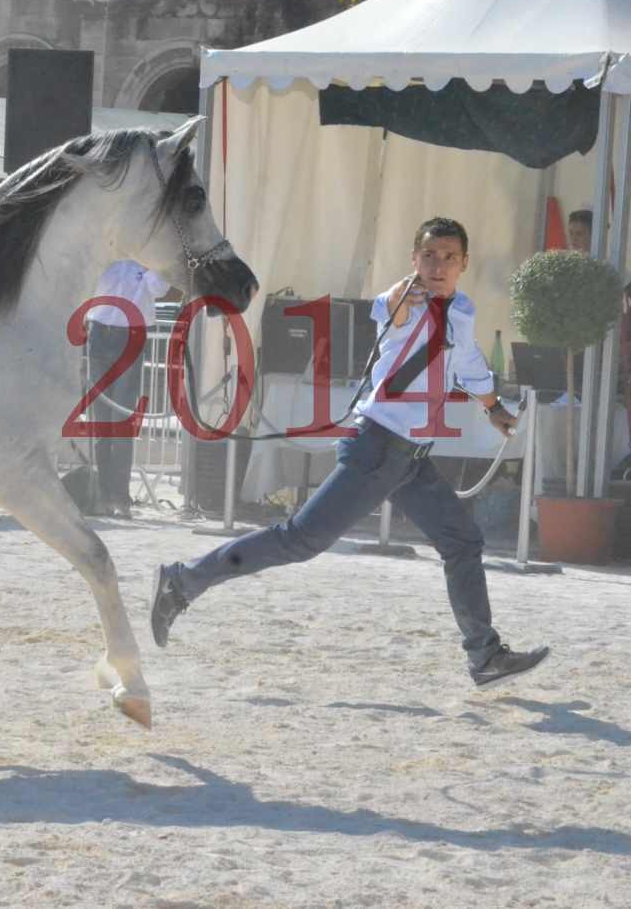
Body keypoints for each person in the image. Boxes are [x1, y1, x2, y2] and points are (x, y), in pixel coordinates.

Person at [150, 217, 549, 687]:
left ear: (464, 263)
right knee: (299, 540)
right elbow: (390, 310)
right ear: (414, 260)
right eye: (428, 256)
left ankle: (484, 656)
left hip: (412, 460)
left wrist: (492, 407)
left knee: (462, 542)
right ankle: (184, 580)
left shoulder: (461, 309)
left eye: (448, 257)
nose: (438, 265)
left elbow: (467, 364)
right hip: (377, 450)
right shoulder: (401, 299)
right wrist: (403, 293)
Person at [82, 260, 172, 519]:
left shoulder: (147, 261)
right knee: (101, 421)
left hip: (131, 335)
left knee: (122, 420)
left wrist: (150, 264)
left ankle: (120, 497)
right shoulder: (108, 256)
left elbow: (159, 288)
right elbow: (91, 281)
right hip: (100, 332)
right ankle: (101, 495)